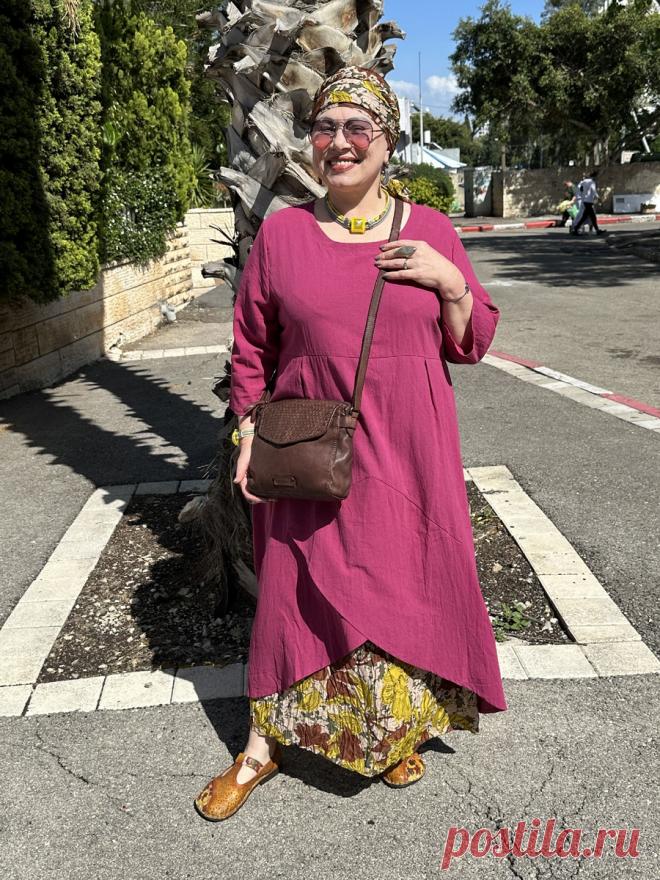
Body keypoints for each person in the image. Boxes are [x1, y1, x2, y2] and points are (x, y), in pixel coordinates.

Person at [194, 66, 507, 822]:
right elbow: (250, 348)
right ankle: (262, 747)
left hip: (409, 447)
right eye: (325, 127)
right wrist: (246, 432)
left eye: (357, 128)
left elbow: (471, 344)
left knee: (404, 582)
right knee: (295, 593)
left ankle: (393, 733)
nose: (339, 142)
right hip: (309, 447)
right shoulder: (283, 234)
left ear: (388, 143)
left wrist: (451, 283)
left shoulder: (431, 231)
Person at [570, 170, 604, 235]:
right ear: (594, 176)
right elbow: (594, 191)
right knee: (592, 217)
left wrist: (581, 196)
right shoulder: (592, 182)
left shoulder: (583, 181)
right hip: (589, 202)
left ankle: (576, 229)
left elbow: (579, 189)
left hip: (584, 201)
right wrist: (599, 198)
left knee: (586, 217)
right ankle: (597, 230)